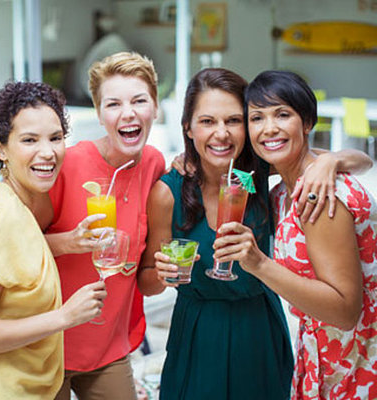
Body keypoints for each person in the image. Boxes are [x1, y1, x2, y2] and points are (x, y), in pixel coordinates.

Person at [137, 68, 373, 400]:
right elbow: (146, 281)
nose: (221, 134)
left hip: (260, 325)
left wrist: (329, 161)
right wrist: (163, 275)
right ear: (188, 128)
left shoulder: (257, 171)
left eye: (233, 120)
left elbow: (361, 160)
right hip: (198, 328)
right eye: (207, 122)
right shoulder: (168, 192)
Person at [0, 81, 106, 400]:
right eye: (29, 140)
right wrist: (65, 317)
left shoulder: (22, 205)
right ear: (0, 148)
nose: (48, 152)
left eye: (56, 138)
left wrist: (67, 242)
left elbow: (14, 260)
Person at [214, 70, 377, 399]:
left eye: (282, 114)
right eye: (257, 117)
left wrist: (258, 263)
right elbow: (365, 159)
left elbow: (345, 312)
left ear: (306, 122)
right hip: (321, 353)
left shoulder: (319, 197)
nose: (269, 128)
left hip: (355, 363)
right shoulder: (283, 190)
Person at [45, 51, 166, 399]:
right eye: (113, 104)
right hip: (49, 345)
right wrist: (69, 241)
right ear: (99, 115)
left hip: (109, 346)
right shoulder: (66, 165)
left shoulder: (153, 164)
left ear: (155, 108)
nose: (127, 113)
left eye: (139, 101)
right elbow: (19, 243)